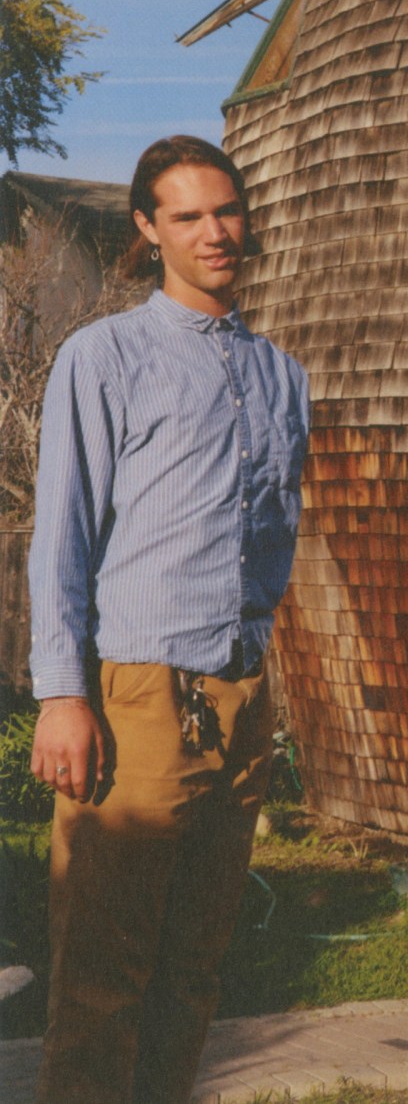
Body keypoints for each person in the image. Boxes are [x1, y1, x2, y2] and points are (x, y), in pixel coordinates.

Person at [28, 135, 311, 1104]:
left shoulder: (280, 374)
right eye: (187, 216)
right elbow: (63, 532)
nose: (213, 232)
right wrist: (63, 694)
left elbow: (269, 537)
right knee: (104, 975)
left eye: (226, 210)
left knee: (194, 970)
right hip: (136, 698)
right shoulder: (105, 356)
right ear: (148, 229)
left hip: (240, 695)